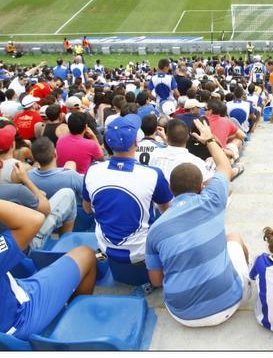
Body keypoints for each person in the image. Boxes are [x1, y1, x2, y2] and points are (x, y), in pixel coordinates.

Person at [145, 150, 247, 328]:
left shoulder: (155, 229)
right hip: (230, 304)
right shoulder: (214, 200)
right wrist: (209, 140)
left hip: (183, 315)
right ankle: (241, 281)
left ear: (171, 189)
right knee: (234, 237)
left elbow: (156, 281)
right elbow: (224, 166)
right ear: (201, 186)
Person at [0, 200, 97, 341]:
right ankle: (74, 320)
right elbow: (35, 218)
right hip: (20, 317)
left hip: (11, 295)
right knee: (87, 253)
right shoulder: (18, 190)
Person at [83, 114, 173, 264]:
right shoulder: (152, 174)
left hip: (104, 248)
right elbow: (166, 211)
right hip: (142, 252)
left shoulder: (92, 171)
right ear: (136, 143)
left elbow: (87, 209)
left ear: (107, 145)